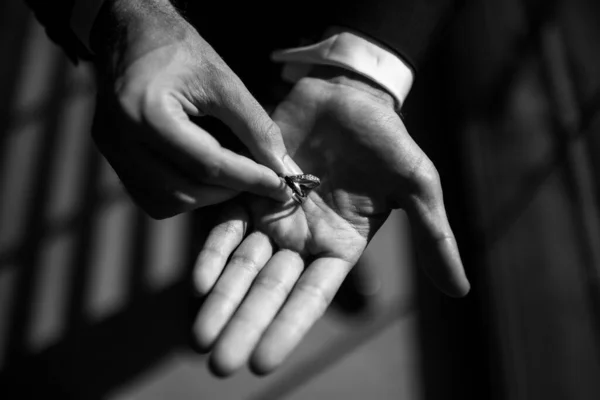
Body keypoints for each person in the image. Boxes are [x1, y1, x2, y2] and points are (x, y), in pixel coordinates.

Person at [25, 0, 470, 377]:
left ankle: (316, 259)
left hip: (320, 22)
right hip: (167, 56)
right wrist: (118, 10)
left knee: (330, 202)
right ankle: (215, 255)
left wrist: (364, 74)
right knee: (206, 176)